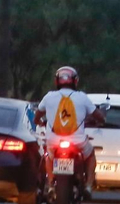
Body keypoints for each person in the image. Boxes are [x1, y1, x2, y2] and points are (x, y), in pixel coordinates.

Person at [36, 65, 98, 194]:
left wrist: (39, 122)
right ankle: (88, 185)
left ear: (56, 81)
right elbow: (97, 115)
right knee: (91, 155)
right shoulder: (82, 97)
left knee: (49, 157)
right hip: (78, 141)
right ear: (75, 81)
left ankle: (51, 184)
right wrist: (101, 120)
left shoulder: (49, 96)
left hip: (54, 141)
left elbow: (38, 114)